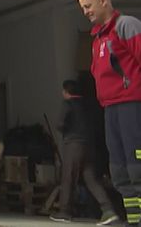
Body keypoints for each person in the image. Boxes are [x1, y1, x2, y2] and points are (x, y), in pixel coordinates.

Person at [78, 0, 141, 225]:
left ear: (104, 1)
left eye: (88, 6)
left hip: (135, 107)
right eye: (82, 8)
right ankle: (136, 221)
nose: (85, 12)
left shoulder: (127, 26)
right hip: (112, 109)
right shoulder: (98, 38)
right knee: (121, 173)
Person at [49, 79, 119, 224]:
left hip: (73, 145)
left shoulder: (68, 104)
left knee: (68, 176)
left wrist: (65, 130)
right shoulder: (89, 106)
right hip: (90, 146)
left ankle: (64, 211)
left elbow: (60, 124)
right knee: (91, 178)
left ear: (66, 92)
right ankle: (108, 209)